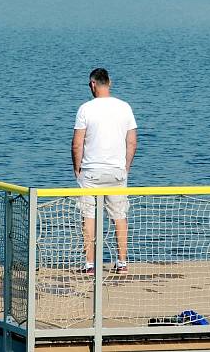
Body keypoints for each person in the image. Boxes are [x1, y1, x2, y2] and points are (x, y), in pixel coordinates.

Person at [72, 68, 137, 275]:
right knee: (119, 216)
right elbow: (132, 142)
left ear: (92, 84)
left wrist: (77, 168)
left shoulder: (85, 109)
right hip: (117, 170)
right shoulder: (125, 107)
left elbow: (77, 144)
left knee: (88, 216)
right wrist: (125, 167)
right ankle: (122, 262)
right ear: (109, 82)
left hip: (91, 170)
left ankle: (90, 264)